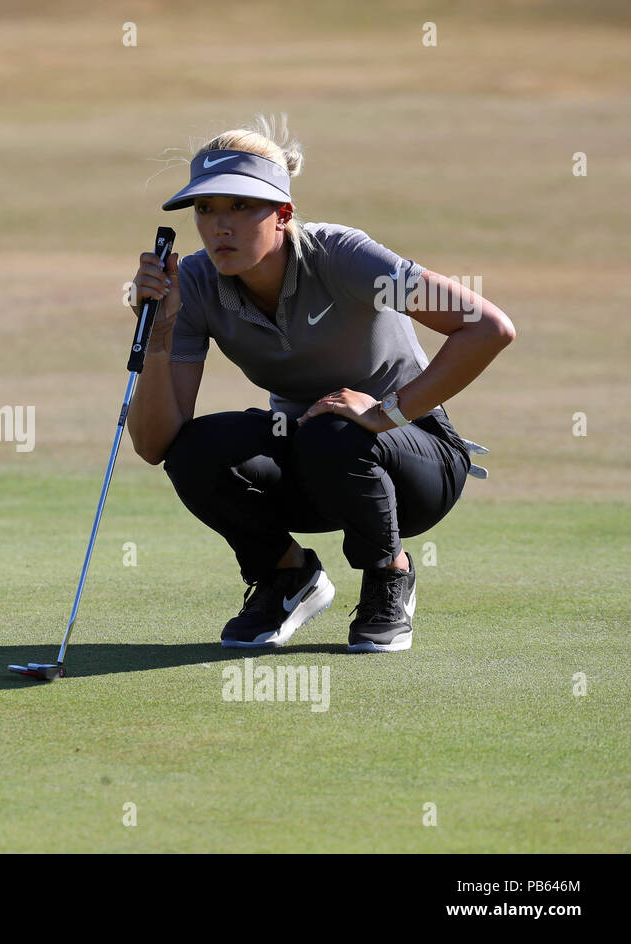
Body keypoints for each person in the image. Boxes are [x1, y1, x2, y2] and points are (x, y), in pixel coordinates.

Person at [127, 116, 514, 653]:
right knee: (196, 449)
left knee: (333, 429)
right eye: (207, 208)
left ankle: (388, 575)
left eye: (241, 207)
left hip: (415, 460)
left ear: (283, 214)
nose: (220, 226)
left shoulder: (344, 255)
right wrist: (161, 329)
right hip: (313, 462)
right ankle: (288, 578)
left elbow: (488, 327)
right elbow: (154, 444)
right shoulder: (191, 283)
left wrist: (388, 411)